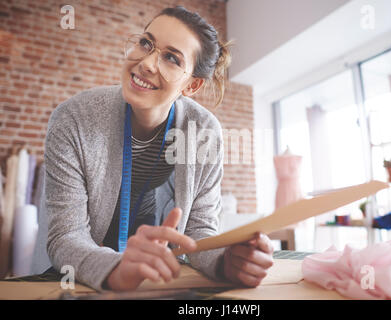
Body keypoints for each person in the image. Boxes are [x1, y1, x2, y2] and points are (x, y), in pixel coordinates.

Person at [36, 6, 273, 292]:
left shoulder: (204, 132)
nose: (147, 63)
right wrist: (117, 269)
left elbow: (199, 233)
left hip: (165, 282)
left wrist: (226, 261)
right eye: (146, 43)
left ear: (192, 85)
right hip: (92, 282)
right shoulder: (73, 119)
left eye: (172, 58)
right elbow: (66, 235)